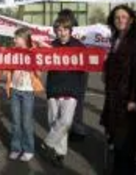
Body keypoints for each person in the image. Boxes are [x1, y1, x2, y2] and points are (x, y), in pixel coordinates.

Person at [100, 5, 136, 175]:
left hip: (129, 99)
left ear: (132, 19)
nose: (120, 20)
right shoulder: (116, 38)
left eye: (124, 17)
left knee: (126, 142)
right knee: (116, 139)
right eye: (117, 17)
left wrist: (134, 99)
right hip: (114, 97)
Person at [41, 16, 86, 168]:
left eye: (65, 29)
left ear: (70, 30)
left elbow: (86, 65)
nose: (62, 33)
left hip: (71, 89)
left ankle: (48, 143)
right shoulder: (51, 45)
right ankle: (60, 153)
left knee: (65, 121)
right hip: (54, 88)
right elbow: (43, 64)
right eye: (58, 30)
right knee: (55, 122)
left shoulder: (78, 45)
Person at [6, 28, 44, 162]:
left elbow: (39, 73)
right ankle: (16, 148)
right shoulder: (13, 51)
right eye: (14, 38)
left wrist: (34, 63)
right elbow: (6, 67)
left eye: (17, 38)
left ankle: (28, 149)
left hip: (28, 91)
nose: (14, 40)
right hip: (15, 90)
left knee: (26, 122)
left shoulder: (34, 52)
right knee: (16, 121)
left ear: (24, 39)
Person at [57, 8, 87, 141]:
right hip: (66, 74)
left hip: (77, 74)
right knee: (66, 101)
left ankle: (76, 128)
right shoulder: (61, 36)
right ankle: (71, 128)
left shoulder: (78, 40)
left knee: (76, 100)